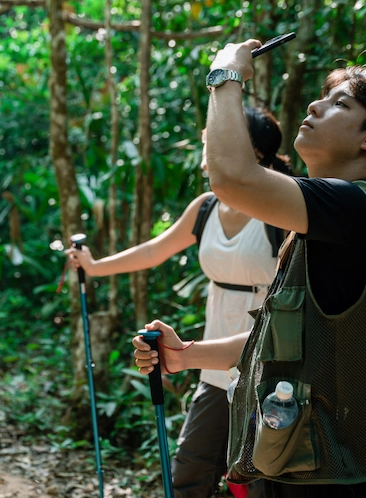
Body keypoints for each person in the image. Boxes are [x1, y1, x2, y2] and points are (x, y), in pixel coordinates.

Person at [133, 39, 366, 498]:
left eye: (339, 104)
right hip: (315, 465)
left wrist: (226, 74)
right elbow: (286, 340)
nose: (315, 104)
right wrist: (187, 355)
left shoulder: (349, 206)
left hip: (330, 477)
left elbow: (229, 177)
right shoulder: (339, 218)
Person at [67, 108, 289, 498]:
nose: (207, 147)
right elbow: (156, 249)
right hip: (213, 367)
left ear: (253, 151)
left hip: (270, 370)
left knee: (262, 483)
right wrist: (95, 267)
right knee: (190, 472)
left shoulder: (283, 203)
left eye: (215, 138)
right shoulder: (206, 206)